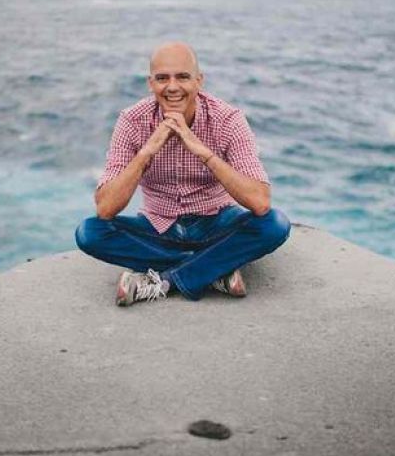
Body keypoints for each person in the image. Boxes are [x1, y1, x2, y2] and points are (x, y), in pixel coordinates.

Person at [75, 41, 291, 306]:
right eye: (162, 78)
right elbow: (106, 208)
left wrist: (202, 151)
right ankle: (213, 270)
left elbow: (260, 201)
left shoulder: (228, 119)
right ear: (150, 83)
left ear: (199, 81)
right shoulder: (132, 121)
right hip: (157, 226)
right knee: (90, 232)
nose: (173, 87)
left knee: (274, 225)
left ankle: (166, 279)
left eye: (183, 77)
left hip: (217, 222)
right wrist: (147, 151)